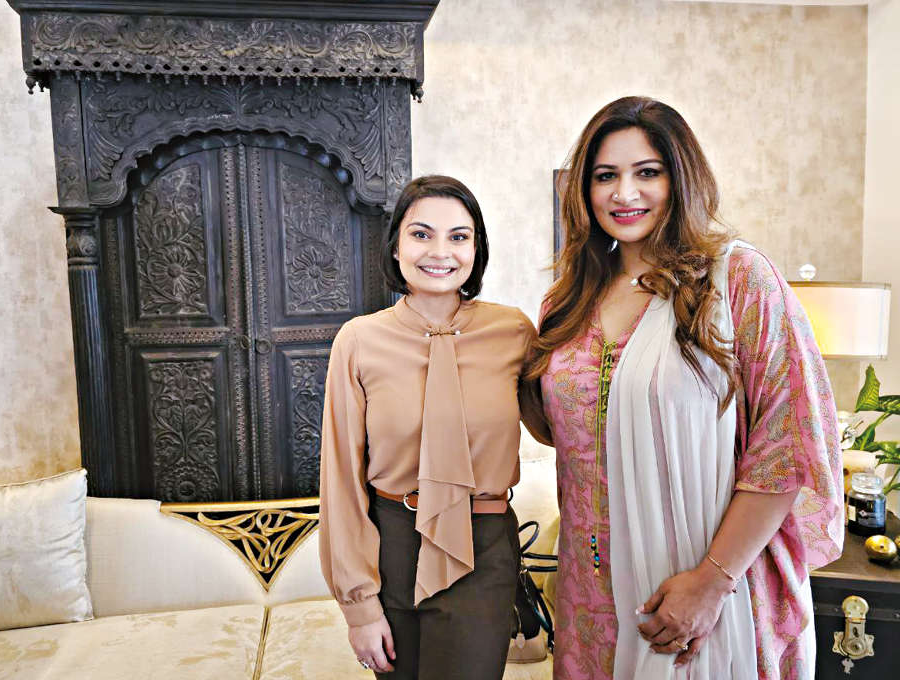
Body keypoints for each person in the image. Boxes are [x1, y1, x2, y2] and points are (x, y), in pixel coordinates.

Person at [522, 97, 843, 680]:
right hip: (588, 598)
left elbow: (785, 447)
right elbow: (563, 429)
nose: (624, 193)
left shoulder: (738, 281)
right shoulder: (566, 301)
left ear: (682, 178)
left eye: (647, 172)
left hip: (707, 587)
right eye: (605, 176)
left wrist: (710, 583)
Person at [318, 175, 536, 680]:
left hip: (483, 545)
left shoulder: (514, 332)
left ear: (476, 250)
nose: (440, 252)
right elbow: (341, 479)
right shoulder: (358, 340)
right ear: (396, 246)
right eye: (421, 234)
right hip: (392, 546)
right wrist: (359, 605)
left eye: (459, 236)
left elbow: (562, 427)